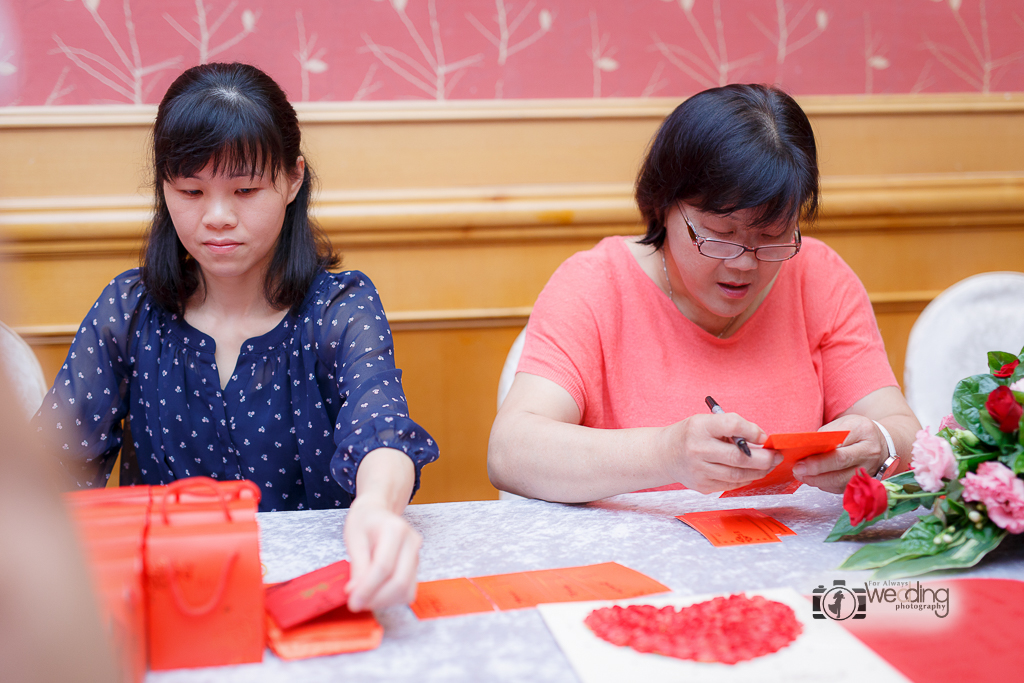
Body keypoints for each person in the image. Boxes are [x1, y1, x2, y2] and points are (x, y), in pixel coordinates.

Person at [32, 62, 438, 611]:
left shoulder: (340, 306)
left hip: (318, 599)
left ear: (293, 178)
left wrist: (375, 508)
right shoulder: (128, 310)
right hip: (170, 603)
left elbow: (380, 430)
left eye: (245, 189)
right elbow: (50, 466)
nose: (218, 216)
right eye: (191, 190)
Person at [488, 84, 920, 503]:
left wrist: (881, 444)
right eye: (720, 235)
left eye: (772, 237)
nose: (744, 263)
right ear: (663, 203)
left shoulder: (819, 277)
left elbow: (902, 427)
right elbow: (511, 451)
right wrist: (664, 454)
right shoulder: (594, 285)